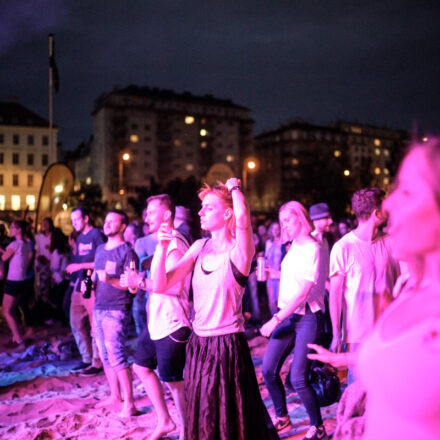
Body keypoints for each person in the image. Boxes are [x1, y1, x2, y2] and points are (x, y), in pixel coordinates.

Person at [309, 137, 440, 440]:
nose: (390, 204)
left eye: (406, 191)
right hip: (356, 335)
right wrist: (343, 356)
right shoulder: (412, 291)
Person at [151, 178, 279, 440]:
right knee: (204, 415)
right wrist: (162, 247)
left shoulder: (239, 252)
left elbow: (243, 220)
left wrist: (235, 188)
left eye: (208, 207)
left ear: (227, 213)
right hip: (198, 344)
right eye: (201, 207)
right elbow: (159, 285)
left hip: (227, 345)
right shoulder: (199, 247)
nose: (200, 212)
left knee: (230, 418)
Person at [122, 194, 191, 440]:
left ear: (167, 215)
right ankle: (165, 421)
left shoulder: (175, 244)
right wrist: (136, 281)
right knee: (141, 366)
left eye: (152, 211)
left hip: (173, 323)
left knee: (174, 383)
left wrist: (139, 281)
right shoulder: (162, 243)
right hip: (157, 323)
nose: (147, 216)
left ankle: (186, 431)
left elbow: (173, 287)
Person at [260, 202, 328, 440]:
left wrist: (274, 319)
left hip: (307, 317)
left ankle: (318, 426)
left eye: (287, 220)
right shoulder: (294, 247)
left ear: (300, 218)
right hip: (290, 315)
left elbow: (303, 292)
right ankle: (283, 417)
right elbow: (296, 279)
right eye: (281, 222)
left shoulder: (312, 247)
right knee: (268, 370)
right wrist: (274, 274)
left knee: (299, 377)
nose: (283, 226)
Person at [329, 188, 399, 382]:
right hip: (358, 334)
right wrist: (337, 334)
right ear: (377, 213)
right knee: (359, 393)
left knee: (388, 388)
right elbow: (335, 295)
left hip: (388, 330)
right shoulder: (343, 247)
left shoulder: (392, 242)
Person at [90, 210, 139, 417]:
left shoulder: (127, 252)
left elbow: (133, 286)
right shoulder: (100, 249)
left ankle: (130, 403)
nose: (107, 223)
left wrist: (110, 280)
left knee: (117, 354)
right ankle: (115, 396)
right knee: (104, 354)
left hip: (117, 309)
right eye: (106, 220)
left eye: (113, 221)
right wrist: (89, 283)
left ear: (122, 227)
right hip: (99, 307)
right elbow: (95, 273)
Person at [66, 206, 104, 375]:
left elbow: (103, 260)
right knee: (75, 321)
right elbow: (78, 262)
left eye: (77, 219)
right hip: (79, 284)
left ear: (86, 218)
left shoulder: (96, 234)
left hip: (93, 284)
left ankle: (97, 362)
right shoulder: (79, 238)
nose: (74, 223)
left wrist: (79, 266)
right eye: (72, 220)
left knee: (93, 324)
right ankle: (86, 358)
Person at [1, 220, 32, 349]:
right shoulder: (25, 244)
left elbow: (3, 259)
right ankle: (16, 336)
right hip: (22, 281)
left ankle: (19, 340)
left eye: (13, 227)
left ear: (19, 230)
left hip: (14, 281)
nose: (11, 229)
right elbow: (9, 255)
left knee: (6, 311)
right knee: (12, 310)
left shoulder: (15, 244)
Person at [265, 221, 283, 315]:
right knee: (271, 301)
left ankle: (281, 323)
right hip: (270, 275)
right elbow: (266, 258)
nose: (275, 231)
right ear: (271, 230)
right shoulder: (268, 243)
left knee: (280, 300)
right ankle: (274, 321)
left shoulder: (283, 242)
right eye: (273, 228)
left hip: (280, 275)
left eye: (277, 228)